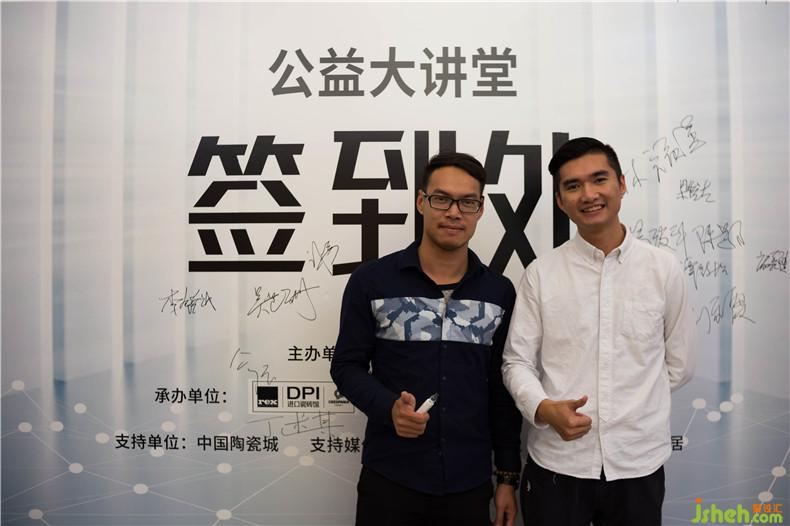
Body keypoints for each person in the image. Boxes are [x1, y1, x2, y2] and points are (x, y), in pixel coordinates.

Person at [502, 137, 694, 526]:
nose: (588, 194)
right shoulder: (541, 274)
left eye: (599, 179)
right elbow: (516, 362)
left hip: (638, 463)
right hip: (558, 463)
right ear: (561, 201)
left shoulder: (663, 269)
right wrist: (544, 408)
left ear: (621, 184)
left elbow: (679, 365)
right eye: (573, 186)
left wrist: (632, 404)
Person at [331, 152, 523, 526]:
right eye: (441, 199)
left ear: (480, 209)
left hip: (469, 483)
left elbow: (501, 390)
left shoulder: (499, 292)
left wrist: (507, 477)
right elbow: (346, 366)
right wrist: (389, 408)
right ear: (421, 202)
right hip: (390, 478)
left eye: (467, 202)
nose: (454, 212)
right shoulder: (372, 281)